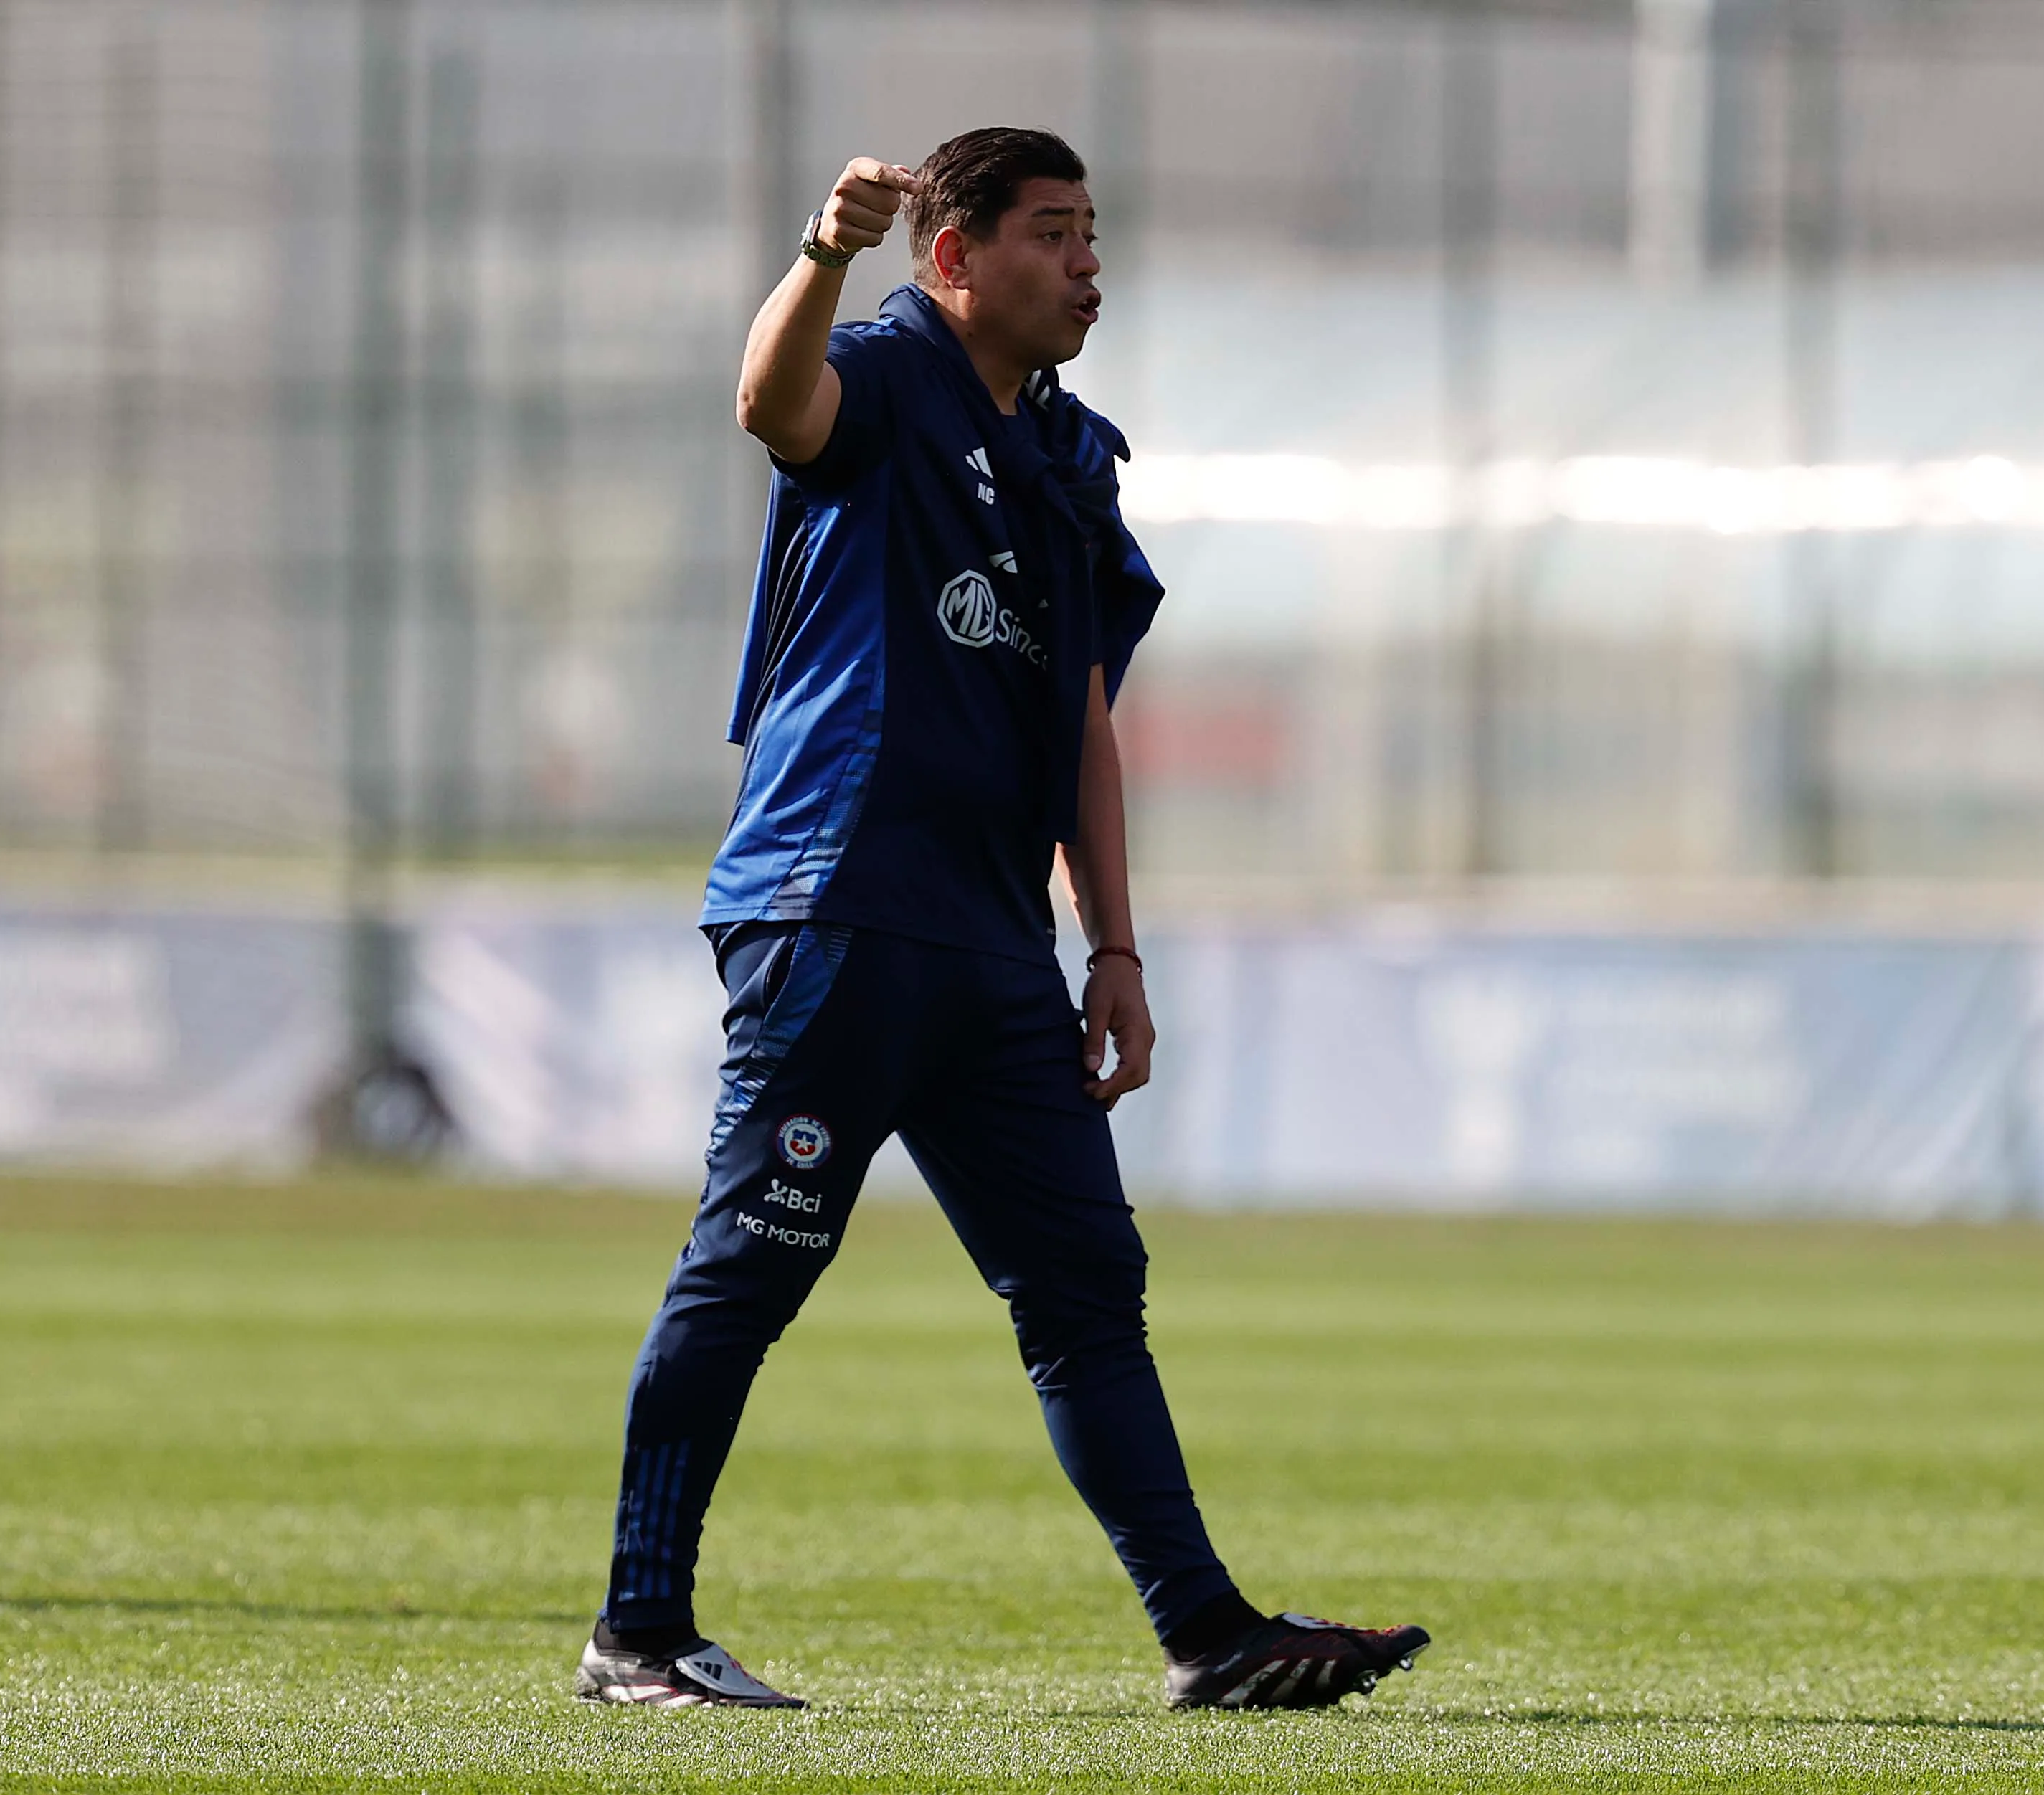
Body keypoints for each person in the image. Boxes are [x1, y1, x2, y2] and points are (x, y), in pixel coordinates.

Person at [573, 127, 1429, 1711]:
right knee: (751, 1267)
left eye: (1093, 231)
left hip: (986, 943)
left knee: (1085, 1286)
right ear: (955, 260)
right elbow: (771, 405)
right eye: (1052, 233)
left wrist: (1111, 947)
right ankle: (636, 1633)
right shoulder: (883, 371)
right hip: (835, 906)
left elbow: (1082, 723)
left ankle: (1206, 1635)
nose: (1086, 260)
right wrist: (823, 253)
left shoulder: (1070, 453)